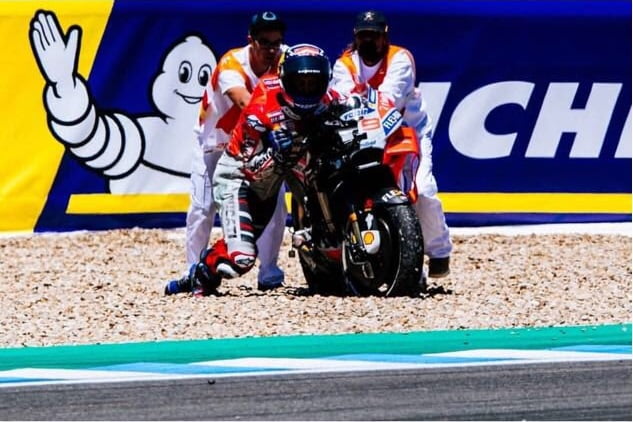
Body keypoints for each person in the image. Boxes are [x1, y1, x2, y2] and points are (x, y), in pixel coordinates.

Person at [183, 43, 338, 296]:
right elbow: (245, 162)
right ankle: (202, 271)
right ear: (287, 80)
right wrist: (273, 147)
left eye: (314, 82)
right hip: (242, 176)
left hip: (287, 166)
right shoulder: (262, 105)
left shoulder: (329, 98)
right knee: (240, 260)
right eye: (302, 83)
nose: (308, 89)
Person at [165, 11, 288, 295]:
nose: (272, 49)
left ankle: (269, 271)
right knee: (203, 208)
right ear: (251, 41)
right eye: (265, 42)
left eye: (277, 43)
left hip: (253, 146)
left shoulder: (284, 60)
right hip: (215, 145)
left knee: (276, 204)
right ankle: (193, 269)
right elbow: (244, 101)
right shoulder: (232, 63)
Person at [330, 10, 453, 278]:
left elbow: (389, 99)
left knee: (423, 190)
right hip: (363, 135)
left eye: (374, 36)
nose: (368, 42)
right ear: (355, 37)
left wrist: (360, 95)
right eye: (363, 36)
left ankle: (439, 250)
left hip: (407, 133)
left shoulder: (400, 59)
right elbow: (341, 98)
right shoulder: (344, 65)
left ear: (384, 36)